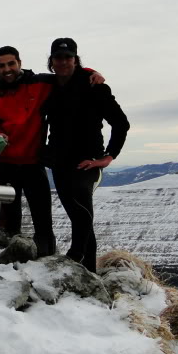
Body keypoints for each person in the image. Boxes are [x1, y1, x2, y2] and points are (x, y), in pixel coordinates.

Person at [43, 37, 130, 272]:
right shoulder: (47, 85)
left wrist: (108, 156)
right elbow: (22, 78)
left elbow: (121, 123)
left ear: (75, 59)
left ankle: (75, 255)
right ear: (51, 60)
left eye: (68, 57)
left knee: (80, 204)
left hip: (88, 162)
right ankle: (89, 273)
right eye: (58, 58)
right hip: (59, 162)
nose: (63, 62)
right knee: (78, 217)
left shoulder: (94, 86)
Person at [0, 46, 57, 256]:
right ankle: (10, 263)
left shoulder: (39, 84)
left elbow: (67, 74)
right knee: (9, 225)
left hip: (34, 164)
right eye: (1, 66)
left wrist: (90, 73)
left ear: (19, 63)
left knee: (43, 223)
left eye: (11, 64)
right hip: (5, 167)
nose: (7, 69)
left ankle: (48, 262)